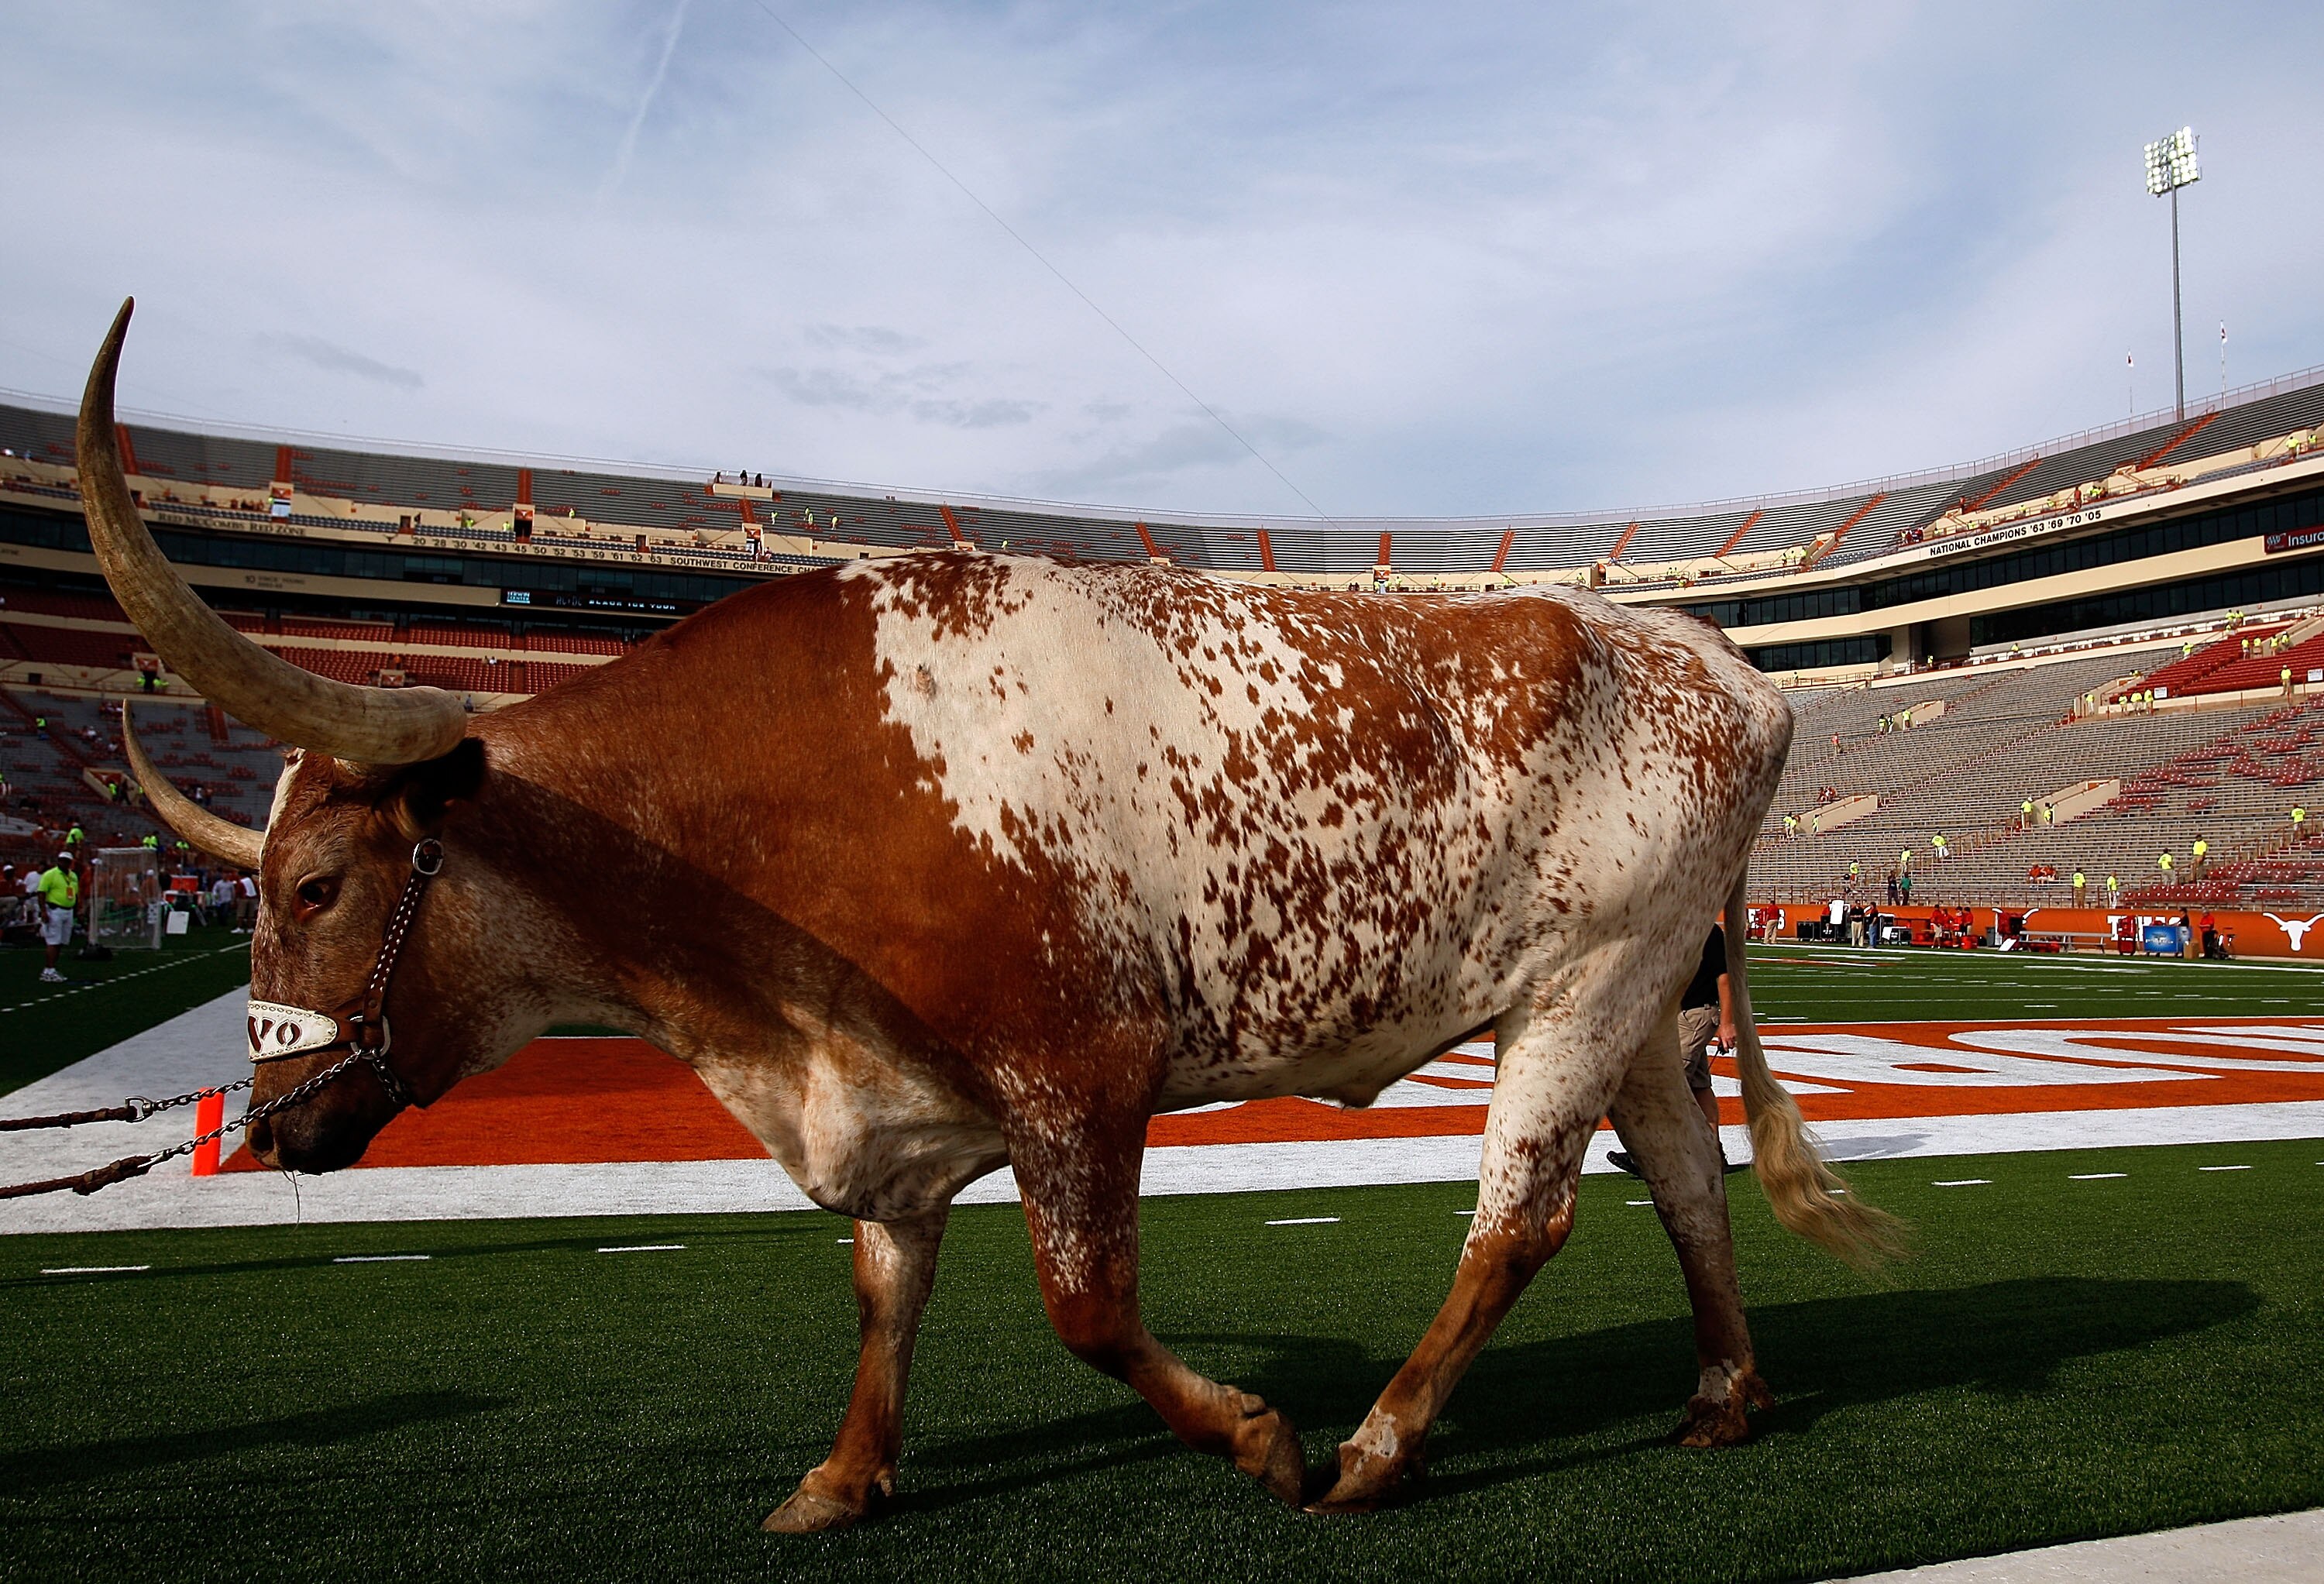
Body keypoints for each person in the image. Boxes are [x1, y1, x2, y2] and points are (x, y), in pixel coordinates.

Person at [1610, 923, 1745, 1178]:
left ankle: (1648, 1156)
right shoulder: (1675, 924)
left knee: (1664, 1084)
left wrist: (1727, 1023)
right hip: (1679, 1016)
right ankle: (1714, 1155)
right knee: (1699, 1086)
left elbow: (1725, 978)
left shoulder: (1708, 931)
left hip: (1696, 1015)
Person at [37, 849, 78, 983]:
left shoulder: (73, 876)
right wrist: (43, 911)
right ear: (58, 861)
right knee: (53, 941)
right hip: (55, 910)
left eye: (67, 861)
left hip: (68, 910)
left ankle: (52, 969)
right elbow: (42, 892)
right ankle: (48, 970)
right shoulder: (51, 874)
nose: (64, 863)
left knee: (61, 941)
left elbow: (75, 893)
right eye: (62, 860)